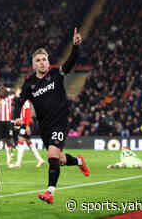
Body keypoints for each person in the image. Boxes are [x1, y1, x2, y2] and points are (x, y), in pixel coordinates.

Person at [14, 28, 90, 204]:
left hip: (60, 122)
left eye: (44, 59)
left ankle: (50, 192)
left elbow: (70, 62)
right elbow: (19, 101)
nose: (42, 63)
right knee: (60, 160)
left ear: (48, 62)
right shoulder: (29, 84)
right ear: (33, 65)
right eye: (38, 60)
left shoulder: (56, 74)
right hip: (44, 127)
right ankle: (79, 161)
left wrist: (76, 47)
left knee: (52, 157)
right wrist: (17, 116)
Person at [11, 96, 45, 168]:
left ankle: (18, 163)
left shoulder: (26, 101)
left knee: (20, 140)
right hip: (24, 124)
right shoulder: (24, 101)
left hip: (26, 124)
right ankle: (40, 159)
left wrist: (27, 126)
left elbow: (28, 114)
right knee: (29, 142)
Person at [0, 86, 15, 166]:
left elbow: (16, 92)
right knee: (0, 142)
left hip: (5, 123)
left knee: (7, 142)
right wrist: (7, 89)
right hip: (1, 123)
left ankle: (8, 162)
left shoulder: (9, 99)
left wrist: (7, 89)